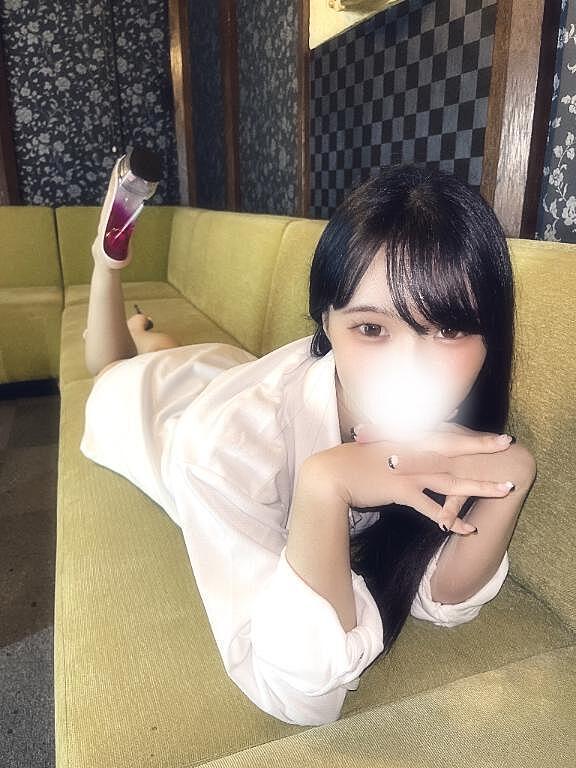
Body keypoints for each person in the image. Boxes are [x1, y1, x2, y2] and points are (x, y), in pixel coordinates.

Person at [80, 163, 537, 727]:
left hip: (228, 371)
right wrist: (326, 484)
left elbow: (437, 594)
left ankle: (149, 333)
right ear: (326, 321)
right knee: (112, 367)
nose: (411, 369)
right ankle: (108, 257)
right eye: (372, 329)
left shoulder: (445, 421)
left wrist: (512, 475)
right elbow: (296, 695)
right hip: (155, 415)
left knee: (162, 344)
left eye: (448, 329)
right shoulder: (223, 451)